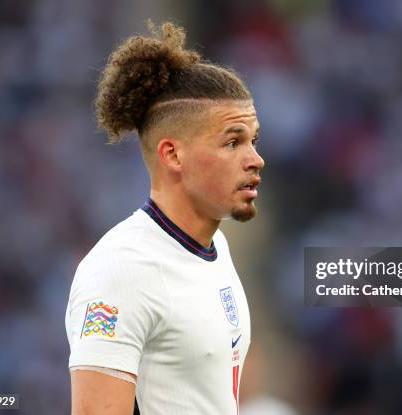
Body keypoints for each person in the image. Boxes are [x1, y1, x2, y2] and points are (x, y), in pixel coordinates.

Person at [64, 21, 264, 415]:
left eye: (253, 140)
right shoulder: (120, 271)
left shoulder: (215, 247)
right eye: (233, 141)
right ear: (173, 155)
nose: (256, 159)